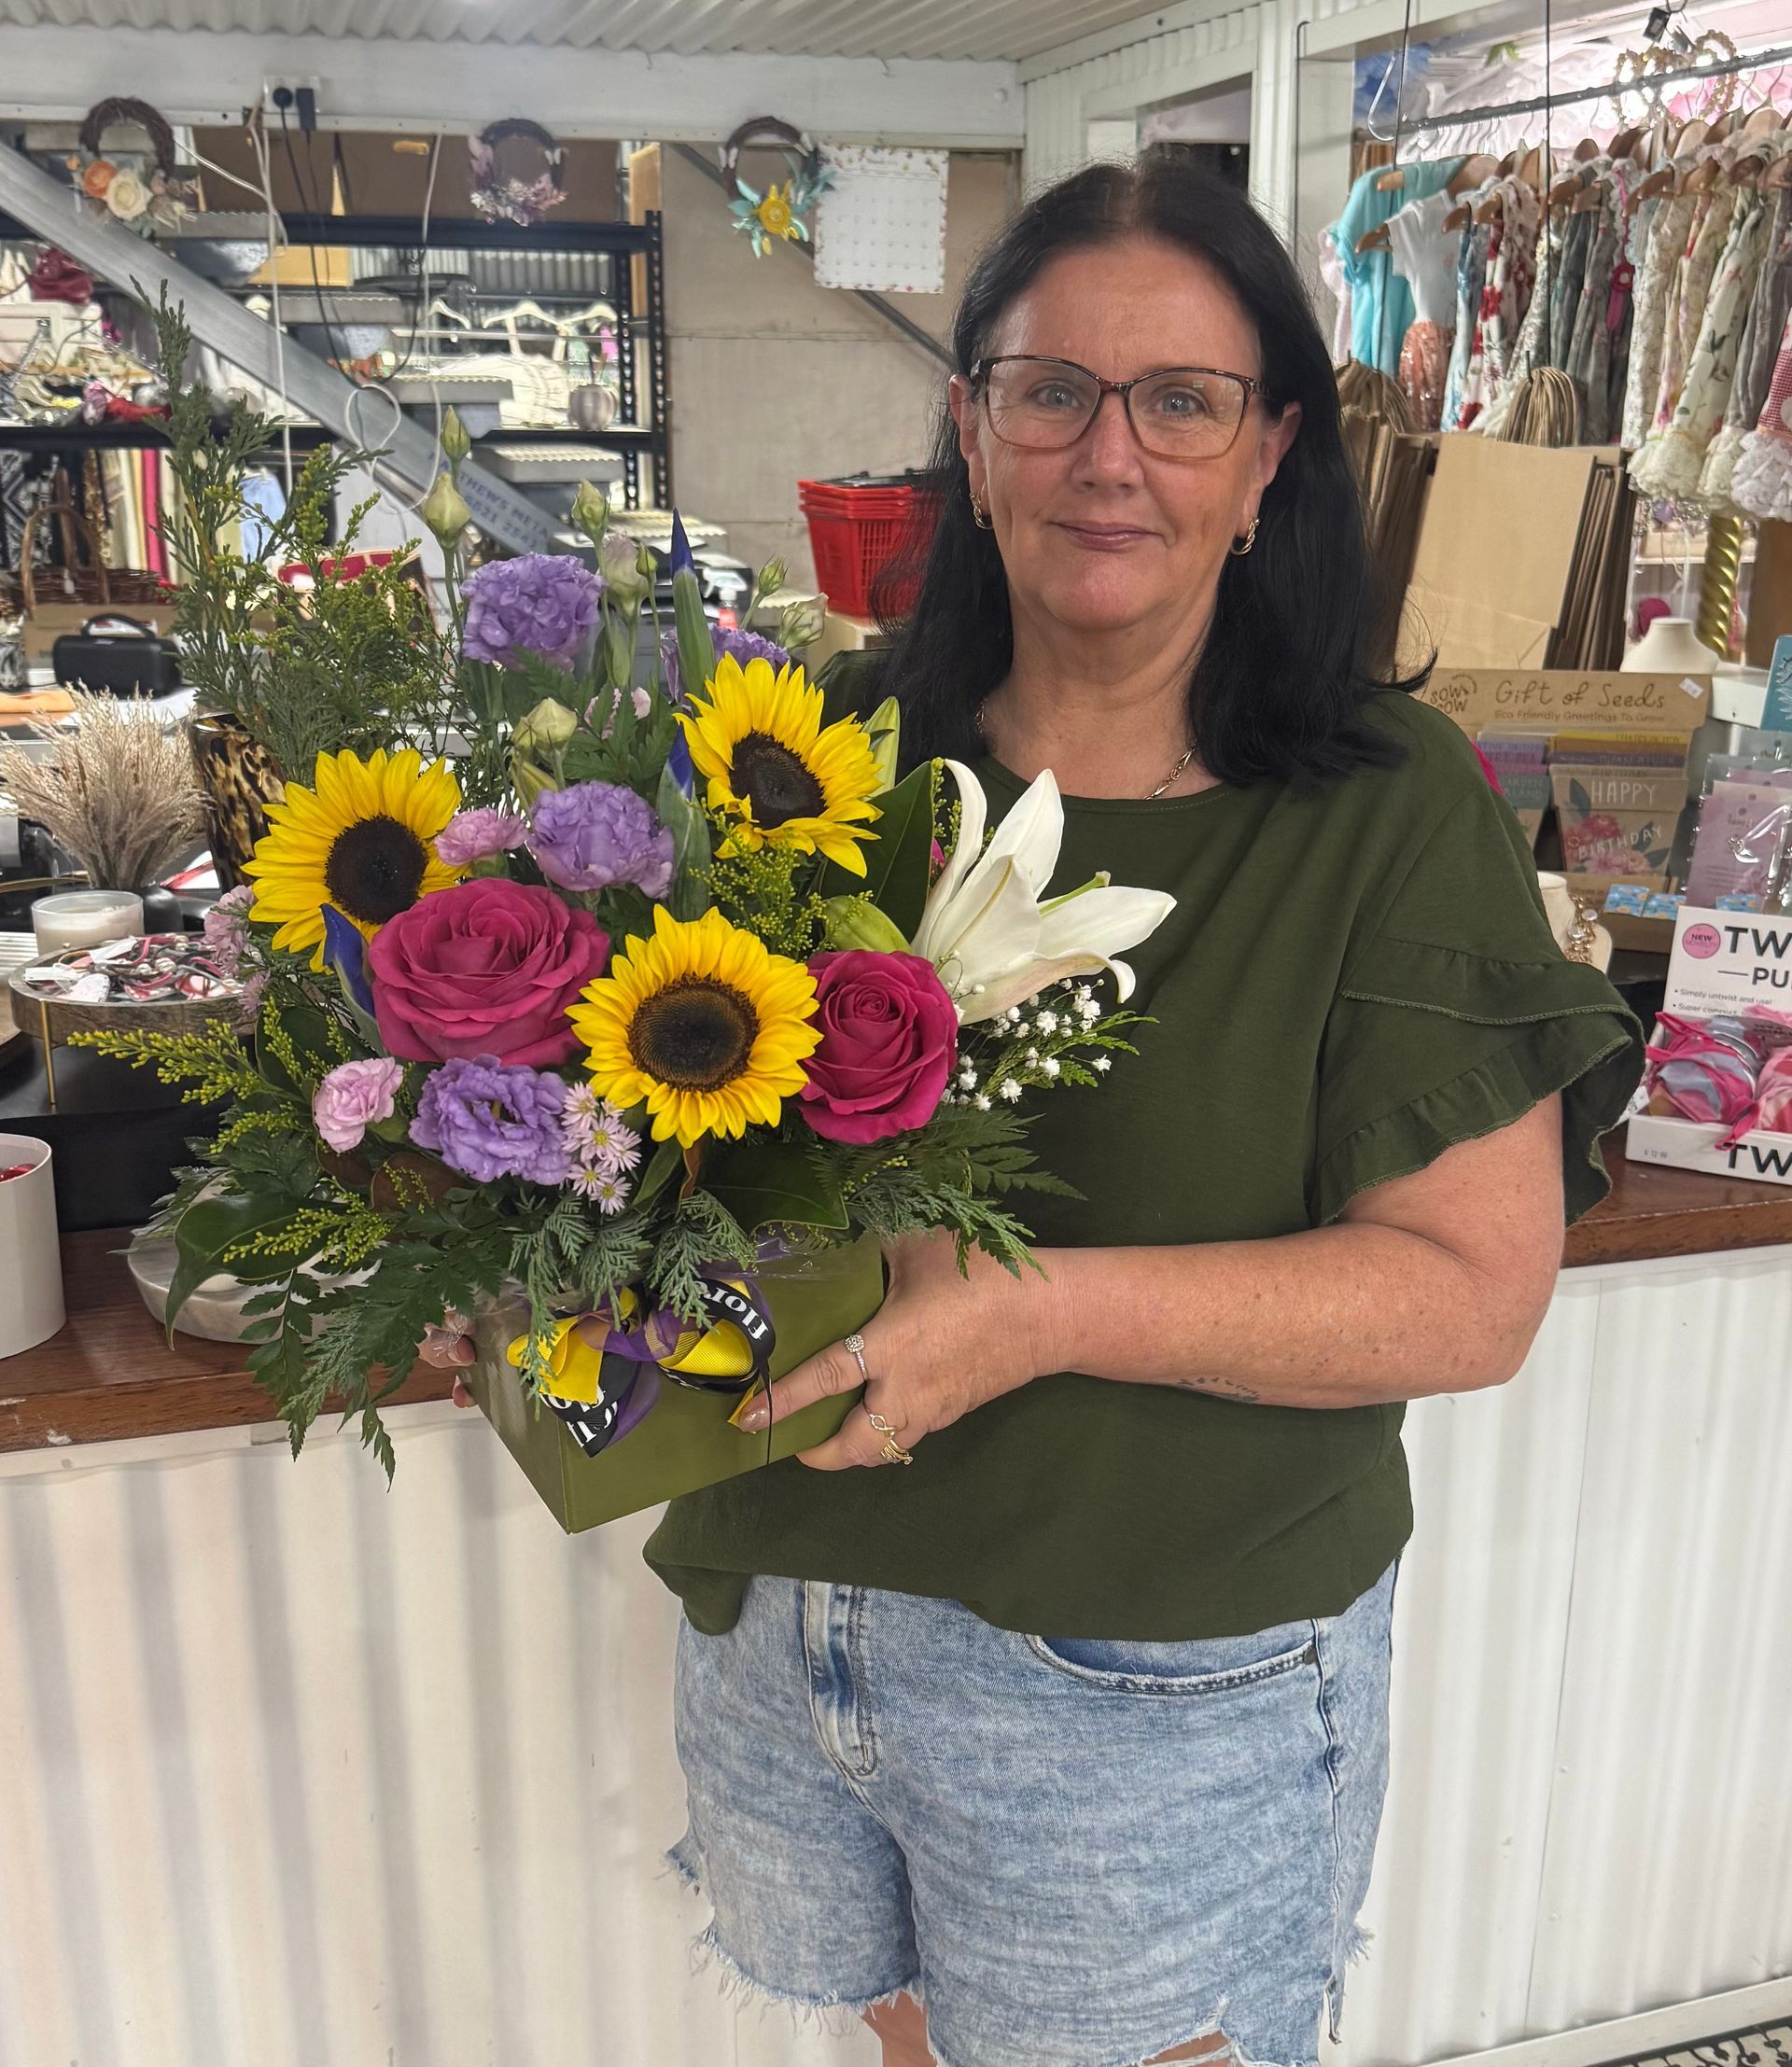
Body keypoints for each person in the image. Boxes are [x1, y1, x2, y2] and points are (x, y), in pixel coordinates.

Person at [469, 154, 1644, 2067]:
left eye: (1182, 401)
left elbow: (1467, 1296)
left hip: (1149, 1678)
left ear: (1269, 455)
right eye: (1053, 390)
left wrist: (1033, 1318)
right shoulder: (817, 756)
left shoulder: (1381, 805)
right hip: (796, 1624)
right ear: (972, 428)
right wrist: (521, 1243)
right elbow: (695, 1150)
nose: (1114, 454)